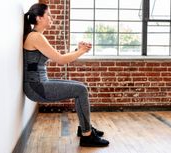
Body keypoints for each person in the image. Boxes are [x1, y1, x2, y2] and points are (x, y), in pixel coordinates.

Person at [23, 3, 109, 147]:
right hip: (36, 87)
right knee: (81, 90)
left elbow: (58, 56)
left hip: (39, 83)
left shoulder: (36, 36)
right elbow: (61, 60)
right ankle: (87, 137)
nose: (52, 17)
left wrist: (78, 49)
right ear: (39, 18)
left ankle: (85, 128)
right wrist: (81, 51)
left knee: (81, 87)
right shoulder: (35, 37)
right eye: (48, 14)